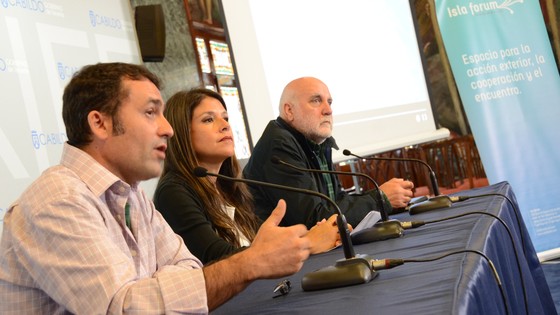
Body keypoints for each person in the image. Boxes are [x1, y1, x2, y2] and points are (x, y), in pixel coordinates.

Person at [0, 63, 310, 314]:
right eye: (150, 112)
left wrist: (150, 292)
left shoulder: (132, 196)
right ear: (100, 124)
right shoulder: (58, 199)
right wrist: (249, 262)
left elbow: (188, 266)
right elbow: (123, 309)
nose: (167, 128)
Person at [153, 88, 341, 265]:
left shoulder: (229, 187)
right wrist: (308, 243)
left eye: (225, 118)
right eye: (209, 120)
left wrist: (322, 233)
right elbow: (219, 259)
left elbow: (258, 245)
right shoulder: (173, 192)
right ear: (181, 133)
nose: (225, 126)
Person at [243, 77, 415, 228]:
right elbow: (315, 221)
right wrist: (380, 199)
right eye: (316, 101)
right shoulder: (278, 145)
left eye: (329, 102)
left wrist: (387, 198)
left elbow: (336, 202)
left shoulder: (315, 142)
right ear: (289, 111)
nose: (328, 110)